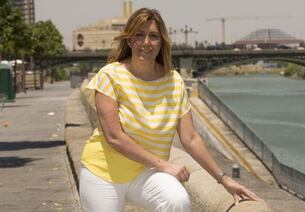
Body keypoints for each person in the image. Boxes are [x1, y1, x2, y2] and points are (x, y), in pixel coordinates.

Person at [79, 7, 259, 212]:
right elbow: (114, 137)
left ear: (162, 42)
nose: (146, 43)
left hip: (145, 173)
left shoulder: (174, 82)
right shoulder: (110, 75)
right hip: (104, 172)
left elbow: (190, 138)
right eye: (139, 35)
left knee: (176, 201)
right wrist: (164, 165)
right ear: (129, 41)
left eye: (153, 36)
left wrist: (224, 179)